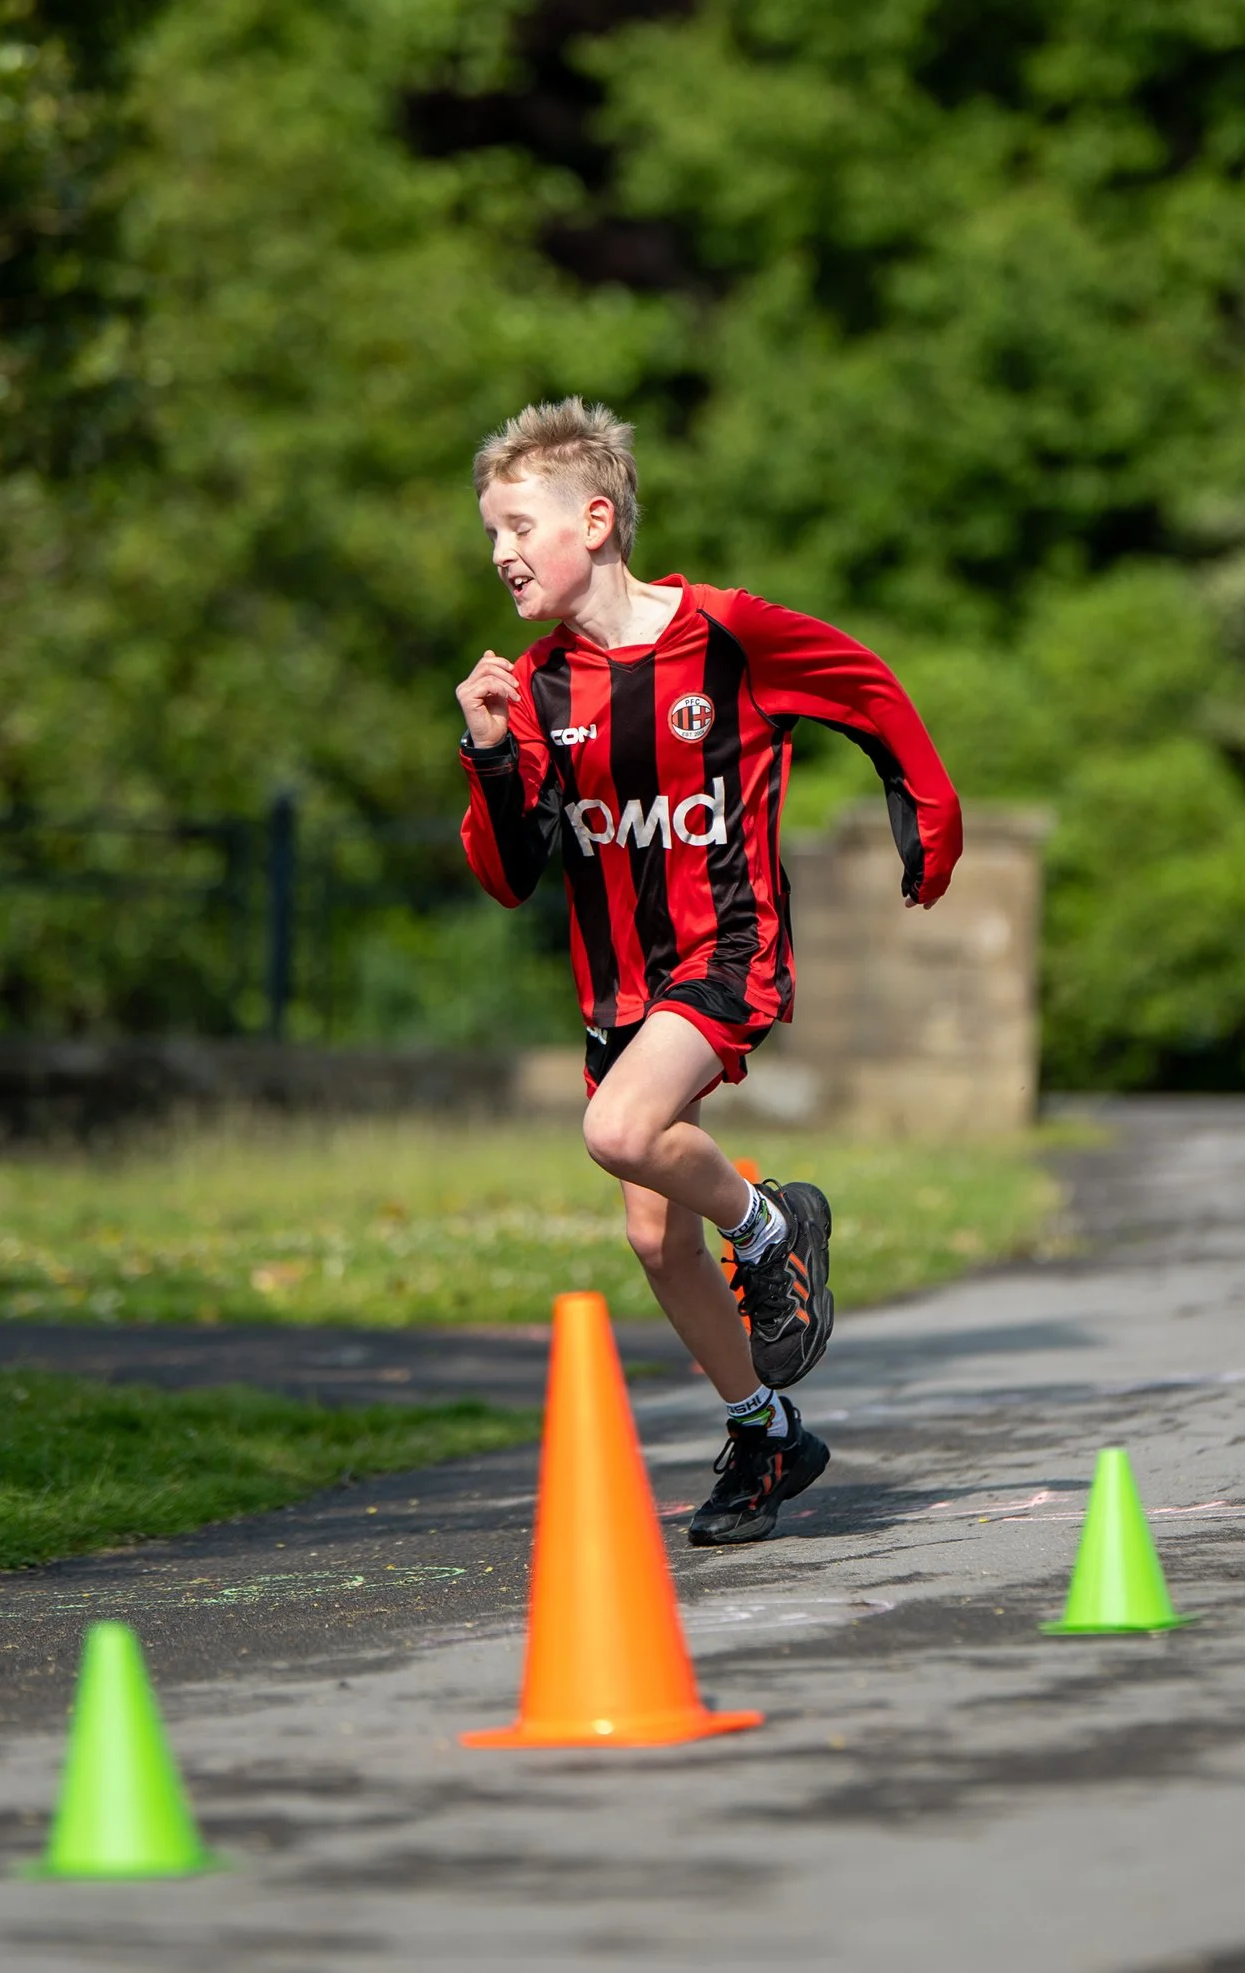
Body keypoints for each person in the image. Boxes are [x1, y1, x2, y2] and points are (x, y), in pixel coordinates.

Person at [455, 398, 962, 1546]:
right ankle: (767, 1426)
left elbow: (867, 688)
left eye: (517, 526)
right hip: (618, 992)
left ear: (595, 519)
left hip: (727, 954)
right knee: (651, 1236)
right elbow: (509, 868)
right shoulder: (531, 691)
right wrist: (488, 753)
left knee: (620, 1131)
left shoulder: (727, 632)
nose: (499, 553)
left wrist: (928, 817)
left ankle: (775, 1226)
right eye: (489, 533)